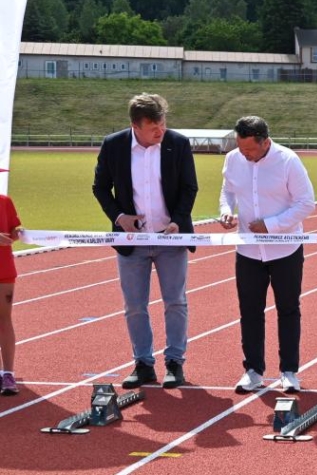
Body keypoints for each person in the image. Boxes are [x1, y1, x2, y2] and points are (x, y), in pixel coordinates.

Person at [93, 93, 198, 390]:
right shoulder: (113, 145)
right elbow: (100, 187)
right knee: (135, 306)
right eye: (153, 127)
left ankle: (175, 362)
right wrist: (119, 217)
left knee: (175, 302)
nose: (160, 131)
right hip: (132, 241)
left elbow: (190, 187)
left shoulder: (177, 143)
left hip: (171, 239)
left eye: (162, 123)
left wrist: (178, 219)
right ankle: (143, 363)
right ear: (135, 126)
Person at [219, 116, 316, 394]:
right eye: (240, 147)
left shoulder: (288, 161)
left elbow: (306, 202)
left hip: (285, 248)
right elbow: (227, 191)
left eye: (249, 149)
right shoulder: (234, 159)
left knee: (288, 309)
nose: (244, 154)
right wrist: (226, 210)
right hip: (248, 249)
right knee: (249, 311)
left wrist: (271, 225)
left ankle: (288, 371)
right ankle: (253, 371)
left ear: (265, 142)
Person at [0, 196, 24, 395]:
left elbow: (13, 230)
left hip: (4, 269)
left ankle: (8, 374)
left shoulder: (4, 202)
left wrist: (17, 233)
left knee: (4, 319)